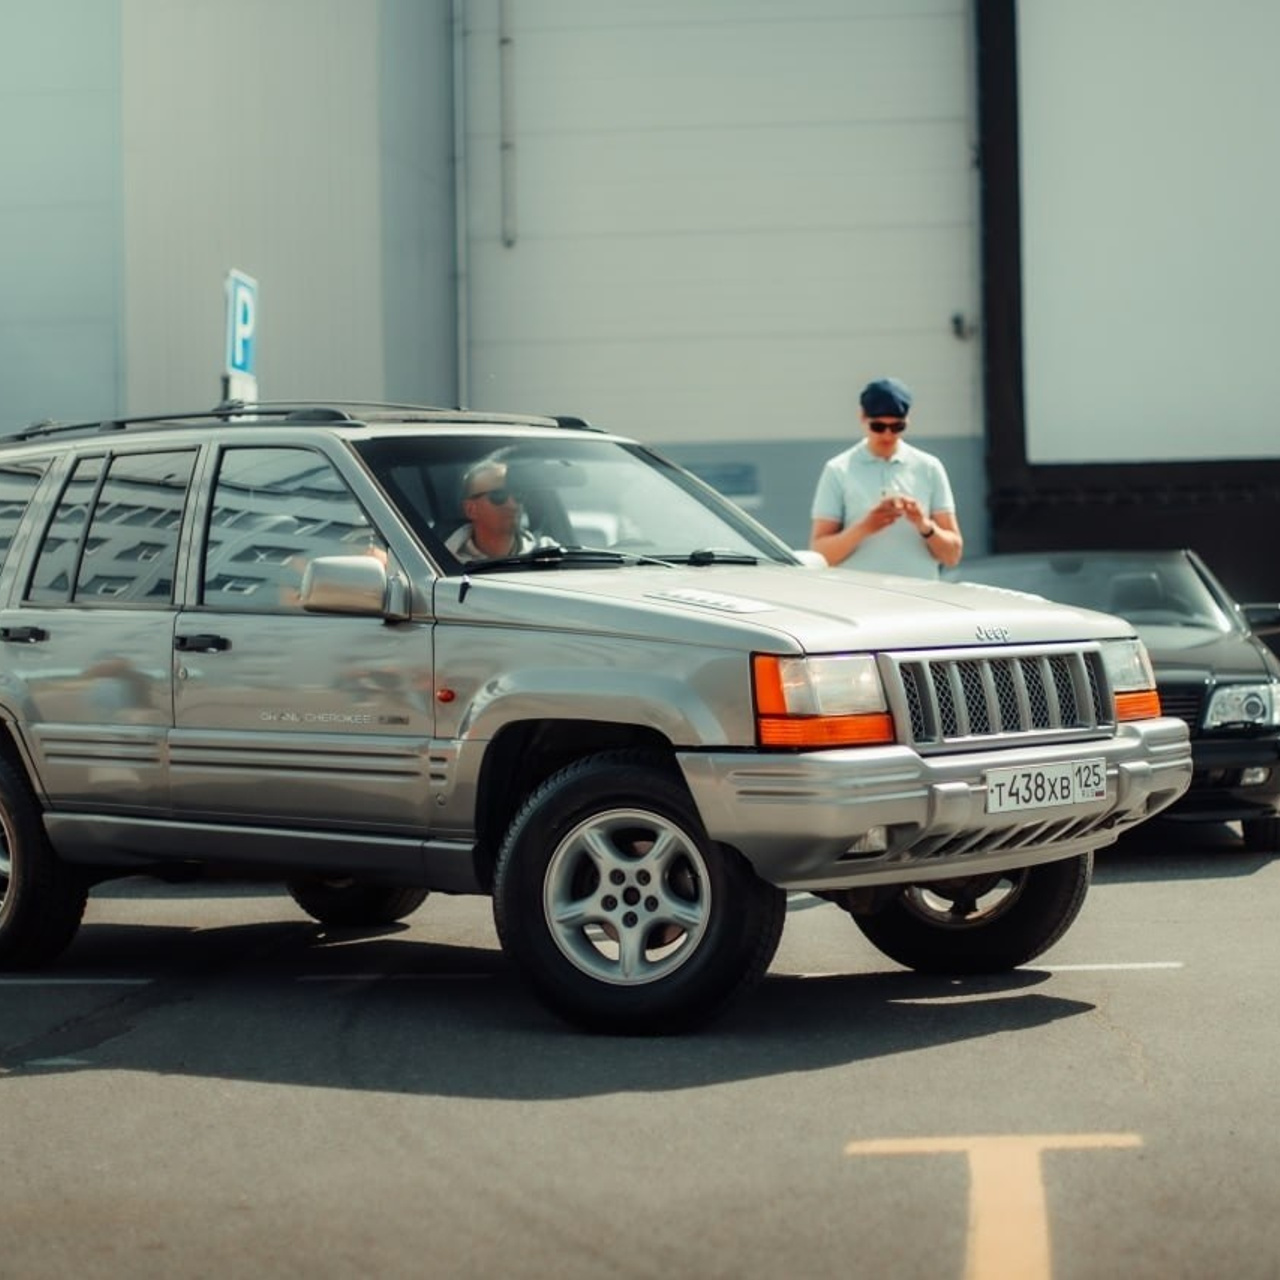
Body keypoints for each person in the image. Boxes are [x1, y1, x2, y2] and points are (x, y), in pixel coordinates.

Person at [809, 376, 963, 579]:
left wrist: (923, 524)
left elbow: (952, 556)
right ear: (863, 417)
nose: (888, 435)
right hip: (858, 601)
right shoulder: (838, 469)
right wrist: (866, 526)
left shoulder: (929, 468)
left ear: (907, 420)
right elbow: (820, 553)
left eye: (897, 427)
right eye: (879, 427)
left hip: (919, 601)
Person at [444, 458, 547, 562]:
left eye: (518, 495)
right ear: (471, 510)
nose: (512, 504)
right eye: (498, 495)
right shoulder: (439, 565)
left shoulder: (550, 556)